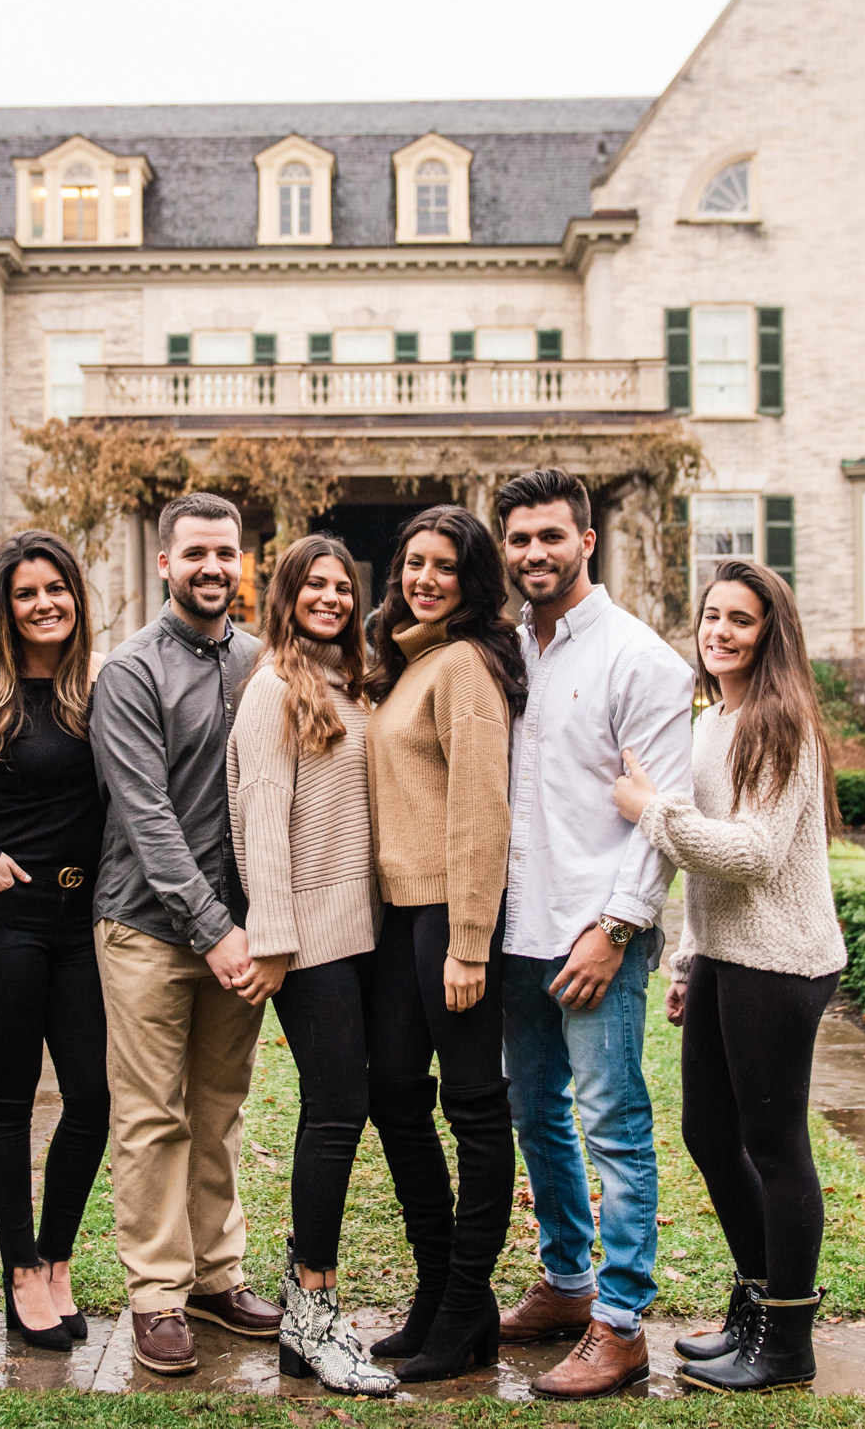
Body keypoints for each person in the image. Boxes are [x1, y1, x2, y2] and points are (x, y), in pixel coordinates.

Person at [613, 558, 847, 1394]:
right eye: (712, 616)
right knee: (709, 1136)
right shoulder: (712, 720)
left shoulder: (779, 724)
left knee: (775, 1147)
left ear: (769, 631)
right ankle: (756, 1305)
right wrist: (688, 960)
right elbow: (708, 872)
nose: (719, 631)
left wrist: (653, 814)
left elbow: (752, 854)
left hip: (780, 962)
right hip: (724, 956)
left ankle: (788, 1341)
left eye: (740, 620)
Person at [490, 468, 695, 1400]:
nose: (535, 553)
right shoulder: (505, 651)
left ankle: (621, 1324)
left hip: (595, 937)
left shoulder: (640, 659)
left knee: (613, 1121)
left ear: (586, 542)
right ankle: (568, 1286)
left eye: (551, 537)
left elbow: (667, 814)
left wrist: (617, 929)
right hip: (519, 930)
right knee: (535, 1113)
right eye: (520, 538)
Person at [89, 491, 281, 1376]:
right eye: (194, 553)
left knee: (218, 1110)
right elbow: (147, 816)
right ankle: (158, 1295)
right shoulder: (129, 672)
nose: (212, 568)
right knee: (151, 1118)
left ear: (243, 561)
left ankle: (216, 1275)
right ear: (165, 563)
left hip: (241, 938)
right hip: (149, 932)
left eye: (226, 553)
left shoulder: (262, 663)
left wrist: (259, 926)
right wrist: (213, 929)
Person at [225, 534, 394, 1396]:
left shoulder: (357, 685)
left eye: (341, 585)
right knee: (337, 1109)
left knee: (352, 1106)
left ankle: (309, 1310)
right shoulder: (271, 690)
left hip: (372, 931)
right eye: (313, 585)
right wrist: (274, 940)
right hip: (312, 939)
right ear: (285, 595)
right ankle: (312, 1308)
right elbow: (260, 820)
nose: (329, 597)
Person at [0, 531, 110, 1353]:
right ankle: (20, 1272)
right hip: (0, 922)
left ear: (77, 594)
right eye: (26, 593)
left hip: (81, 925)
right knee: (8, 1098)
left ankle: (60, 1257)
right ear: (5, 608)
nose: (45, 604)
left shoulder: (101, 691)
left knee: (92, 1098)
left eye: (56, 588)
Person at [359, 504, 521, 1383]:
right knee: (392, 1091)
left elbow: (479, 809)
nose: (424, 577)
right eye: (414, 562)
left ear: (472, 580)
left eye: (445, 566)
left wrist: (469, 941)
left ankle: (464, 1306)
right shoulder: (412, 662)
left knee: (472, 1107)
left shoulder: (462, 666)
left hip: (446, 921)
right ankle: (438, 1290)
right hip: (398, 919)